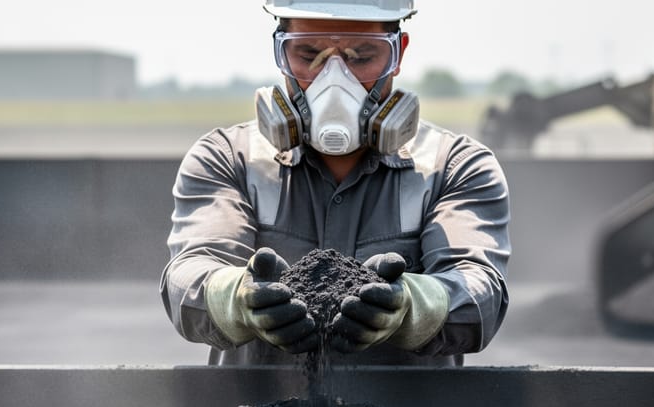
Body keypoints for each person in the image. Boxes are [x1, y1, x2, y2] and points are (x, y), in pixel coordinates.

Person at [161, 0, 510, 366]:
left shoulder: (454, 166)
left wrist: (411, 305)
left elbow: (480, 296)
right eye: (309, 54)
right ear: (280, 51)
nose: (334, 78)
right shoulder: (229, 158)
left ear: (398, 53)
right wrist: (237, 299)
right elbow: (188, 278)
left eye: (361, 57)